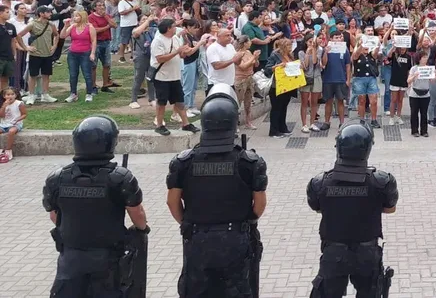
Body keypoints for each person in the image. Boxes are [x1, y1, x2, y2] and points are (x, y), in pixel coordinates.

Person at [166, 85, 268, 297]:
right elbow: (259, 205)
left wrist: (188, 222)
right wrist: (246, 222)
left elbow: (172, 202)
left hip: (197, 238)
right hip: (236, 239)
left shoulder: (183, 162)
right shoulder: (249, 162)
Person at [43, 115, 149, 296]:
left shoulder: (57, 178)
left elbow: (54, 215)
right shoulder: (120, 178)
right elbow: (136, 213)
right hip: (108, 260)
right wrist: (142, 230)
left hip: (70, 258)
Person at [307, 124, 398, 297]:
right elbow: (390, 208)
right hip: (367, 253)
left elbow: (316, 207)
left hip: (334, 252)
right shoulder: (382, 182)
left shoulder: (320, 183)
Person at [150, 18, 200, 136]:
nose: (176, 28)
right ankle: (159, 125)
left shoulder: (175, 38)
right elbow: (160, 58)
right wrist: (178, 51)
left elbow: (181, 55)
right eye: (174, 26)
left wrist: (185, 51)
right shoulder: (158, 41)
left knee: (179, 101)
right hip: (162, 76)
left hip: (175, 75)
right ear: (168, 28)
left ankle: (185, 124)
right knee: (161, 102)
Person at [20, 5, 58, 105]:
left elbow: (56, 35)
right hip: (35, 54)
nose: (50, 14)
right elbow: (19, 36)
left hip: (47, 54)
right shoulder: (32, 24)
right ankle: (31, 95)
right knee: (33, 75)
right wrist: (26, 47)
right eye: (48, 12)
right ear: (41, 13)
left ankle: (45, 95)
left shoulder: (51, 25)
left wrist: (54, 46)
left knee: (46, 75)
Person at [61, 9, 98, 103]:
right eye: (74, 16)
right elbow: (62, 36)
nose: (74, 18)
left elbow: (94, 41)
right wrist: (65, 27)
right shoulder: (73, 26)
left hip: (85, 53)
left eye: (77, 16)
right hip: (73, 53)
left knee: (87, 74)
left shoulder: (90, 27)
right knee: (73, 75)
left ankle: (89, 94)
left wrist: (92, 53)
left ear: (82, 17)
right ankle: (73, 94)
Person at [264, 38, 296, 138]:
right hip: (277, 86)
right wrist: (277, 66)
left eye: (291, 46)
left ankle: (283, 127)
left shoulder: (290, 55)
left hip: (288, 85)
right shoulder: (274, 55)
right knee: (276, 108)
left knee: (283, 107)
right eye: (288, 46)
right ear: (283, 47)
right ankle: (274, 130)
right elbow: (267, 69)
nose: (290, 48)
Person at [88, 2, 119, 93]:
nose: (102, 7)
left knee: (107, 64)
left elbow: (115, 25)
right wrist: (107, 26)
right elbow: (95, 30)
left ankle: (105, 84)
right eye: (99, 5)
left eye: (103, 6)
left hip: (106, 42)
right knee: (93, 65)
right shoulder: (91, 17)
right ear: (94, 7)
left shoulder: (107, 16)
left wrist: (105, 16)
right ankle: (93, 86)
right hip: (96, 43)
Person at [0, 86, 25, 162]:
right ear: (4, 96)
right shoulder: (3, 104)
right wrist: (4, 106)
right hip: (4, 124)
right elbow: (2, 116)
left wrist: (18, 119)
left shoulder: (19, 104)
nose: (10, 96)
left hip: (16, 124)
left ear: (15, 95)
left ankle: (8, 150)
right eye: (8, 95)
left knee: (11, 131)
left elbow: (24, 114)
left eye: (12, 94)